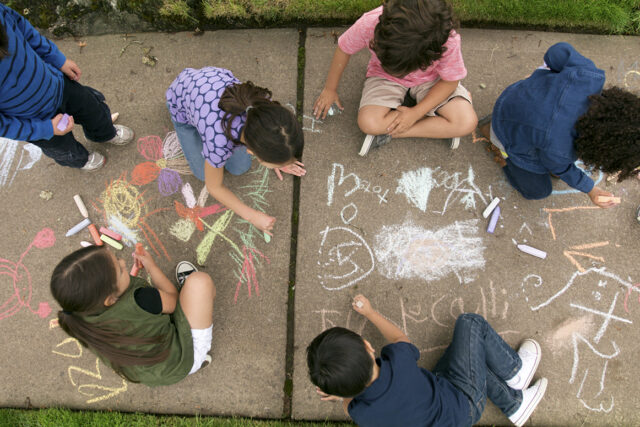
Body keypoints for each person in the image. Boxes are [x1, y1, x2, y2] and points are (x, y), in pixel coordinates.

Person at [307, 294, 547, 426]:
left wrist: (342, 391)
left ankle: (514, 403)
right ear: (368, 346)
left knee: (469, 359)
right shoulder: (399, 364)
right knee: (470, 324)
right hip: (462, 403)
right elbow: (400, 338)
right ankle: (515, 371)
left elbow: (347, 403)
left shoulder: (360, 414)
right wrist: (369, 312)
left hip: (447, 411)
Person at [479, 42, 640, 208]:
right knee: (538, 191)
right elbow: (562, 168)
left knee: (548, 156)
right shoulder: (560, 150)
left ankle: (506, 126)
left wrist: (547, 77)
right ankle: (499, 147)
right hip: (506, 130)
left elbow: (558, 51)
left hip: (514, 96)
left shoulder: (589, 76)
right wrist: (591, 189)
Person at [313, 0, 477, 156]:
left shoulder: (447, 39)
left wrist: (416, 114)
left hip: (431, 80)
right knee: (368, 122)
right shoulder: (370, 22)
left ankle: (391, 133)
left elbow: (450, 80)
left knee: (467, 122)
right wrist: (330, 89)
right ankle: (436, 124)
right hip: (385, 76)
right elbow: (344, 48)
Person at [50, 246, 216, 387]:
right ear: (110, 299)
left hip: (151, 373)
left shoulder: (79, 319)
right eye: (121, 270)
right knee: (199, 283)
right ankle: (198, 360)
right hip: (181, 360)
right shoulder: (142, 299)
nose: (123, 263)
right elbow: (172, 298)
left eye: (116, 258)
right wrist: (151, 267)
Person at [166, 67, 305, 234]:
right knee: (203, 174)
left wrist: (279, 154)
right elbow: (214, 187)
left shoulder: (268, 111)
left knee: (240, 167)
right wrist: (252, 216)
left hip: (209, 89)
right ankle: (191, 128)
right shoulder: (218, 141)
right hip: (182, 103)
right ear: (253, 151)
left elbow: (276, 136)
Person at [0, 4, 134, 171]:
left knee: (93, 109)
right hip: (35, 119)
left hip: (58, 85)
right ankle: (81, 159)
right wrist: (45, 129)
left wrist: (57, 59)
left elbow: (24, 29)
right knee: (63, 148)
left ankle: (103, 133)